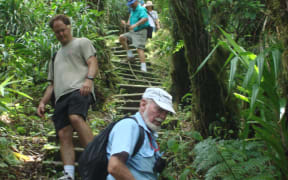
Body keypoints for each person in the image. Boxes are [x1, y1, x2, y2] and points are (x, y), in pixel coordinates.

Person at [37, 14, 99, 180]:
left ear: (69, 26)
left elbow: (92, 62)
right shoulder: (55, 56)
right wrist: (43, 102)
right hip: (61, 97)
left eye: (63, 30)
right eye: (57, 32)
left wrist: (89, 80)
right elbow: (52, 84)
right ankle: (68, 173)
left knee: (76, 118)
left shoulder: (82, 42)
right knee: (63, 133)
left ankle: (97, 160)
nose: (61, 34)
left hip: (79, 89)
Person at [106, 87, 176, 179]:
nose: (163, 117)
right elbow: (115, 166)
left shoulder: (149, 134)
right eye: (159, 110)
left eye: (166, 113)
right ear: (143, 104)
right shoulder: (129, 126)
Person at [120, 0, 150, 72]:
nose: (131, 5)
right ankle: (130, 56)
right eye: (130, 4)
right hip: (133, 32)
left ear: (136, 1)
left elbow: (145, 18)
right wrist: (125, 24)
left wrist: (135, 25)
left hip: (141, 31)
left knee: (139, 48)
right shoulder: (132, 11)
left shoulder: (141, 9)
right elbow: (129, 25)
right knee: (122, 37)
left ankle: (143, 67)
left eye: (132, 3)